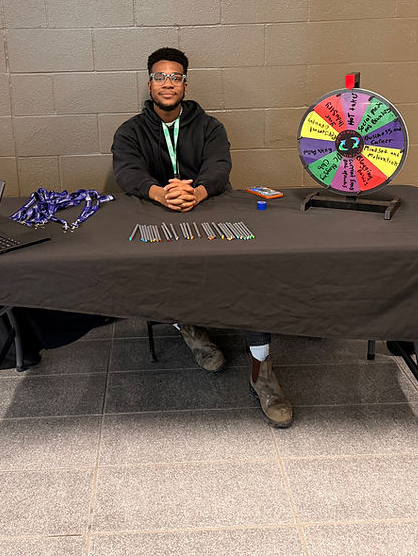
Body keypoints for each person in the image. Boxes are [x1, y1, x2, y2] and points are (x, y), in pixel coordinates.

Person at [111, 47, 293, 428]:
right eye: (160, 77)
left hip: (209, 209)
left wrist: (197, 193)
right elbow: (127, 172)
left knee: (250, 271)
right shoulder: (129, 130)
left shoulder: (211, 127)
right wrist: (162, 193)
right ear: (149, 84)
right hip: (157, 214)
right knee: (155, 269)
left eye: (174, 77)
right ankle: (188, 327)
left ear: (185, 84)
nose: (167, 83)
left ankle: (262, 370)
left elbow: (220, 165)